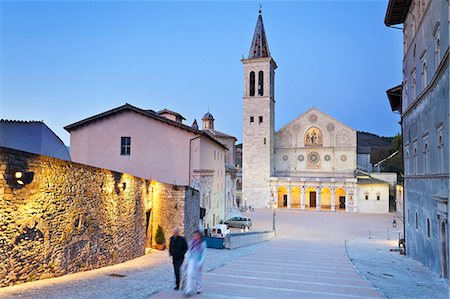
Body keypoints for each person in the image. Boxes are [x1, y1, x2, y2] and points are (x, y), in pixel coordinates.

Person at [185, 230, 207, 296]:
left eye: (197, 235)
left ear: (199, 236)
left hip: (198, 260)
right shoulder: (192, 242)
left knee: (198, 275)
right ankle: (188, 289)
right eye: (194, 235)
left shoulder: (203, 243)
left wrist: (201, 263)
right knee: (189, 273)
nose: (195, 237)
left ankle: (199, 288)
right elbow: (189, 252)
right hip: (192, 260)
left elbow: (203, 254)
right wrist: (187, 261)